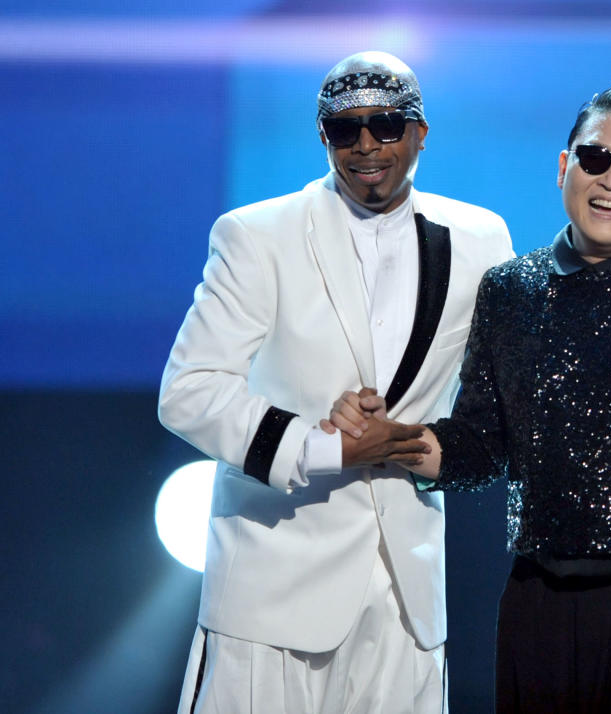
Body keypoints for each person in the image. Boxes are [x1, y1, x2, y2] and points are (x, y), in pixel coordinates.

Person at [328, 81, 611, 713]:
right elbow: (481, 444)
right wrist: (396, 442)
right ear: (564, 166)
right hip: (540, 594)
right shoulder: (509, 291)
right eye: (595, 158)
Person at [158, 50, 513, 714]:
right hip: (271, 593)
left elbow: (499, 406)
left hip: (406, 597)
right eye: (345, 130)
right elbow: (189, 390)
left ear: (420, 132)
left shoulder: (481, 240)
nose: (366, 144)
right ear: (323, 136)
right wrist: (326, 446)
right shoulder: (256, 235)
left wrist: (418, 445)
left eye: (385, 124)